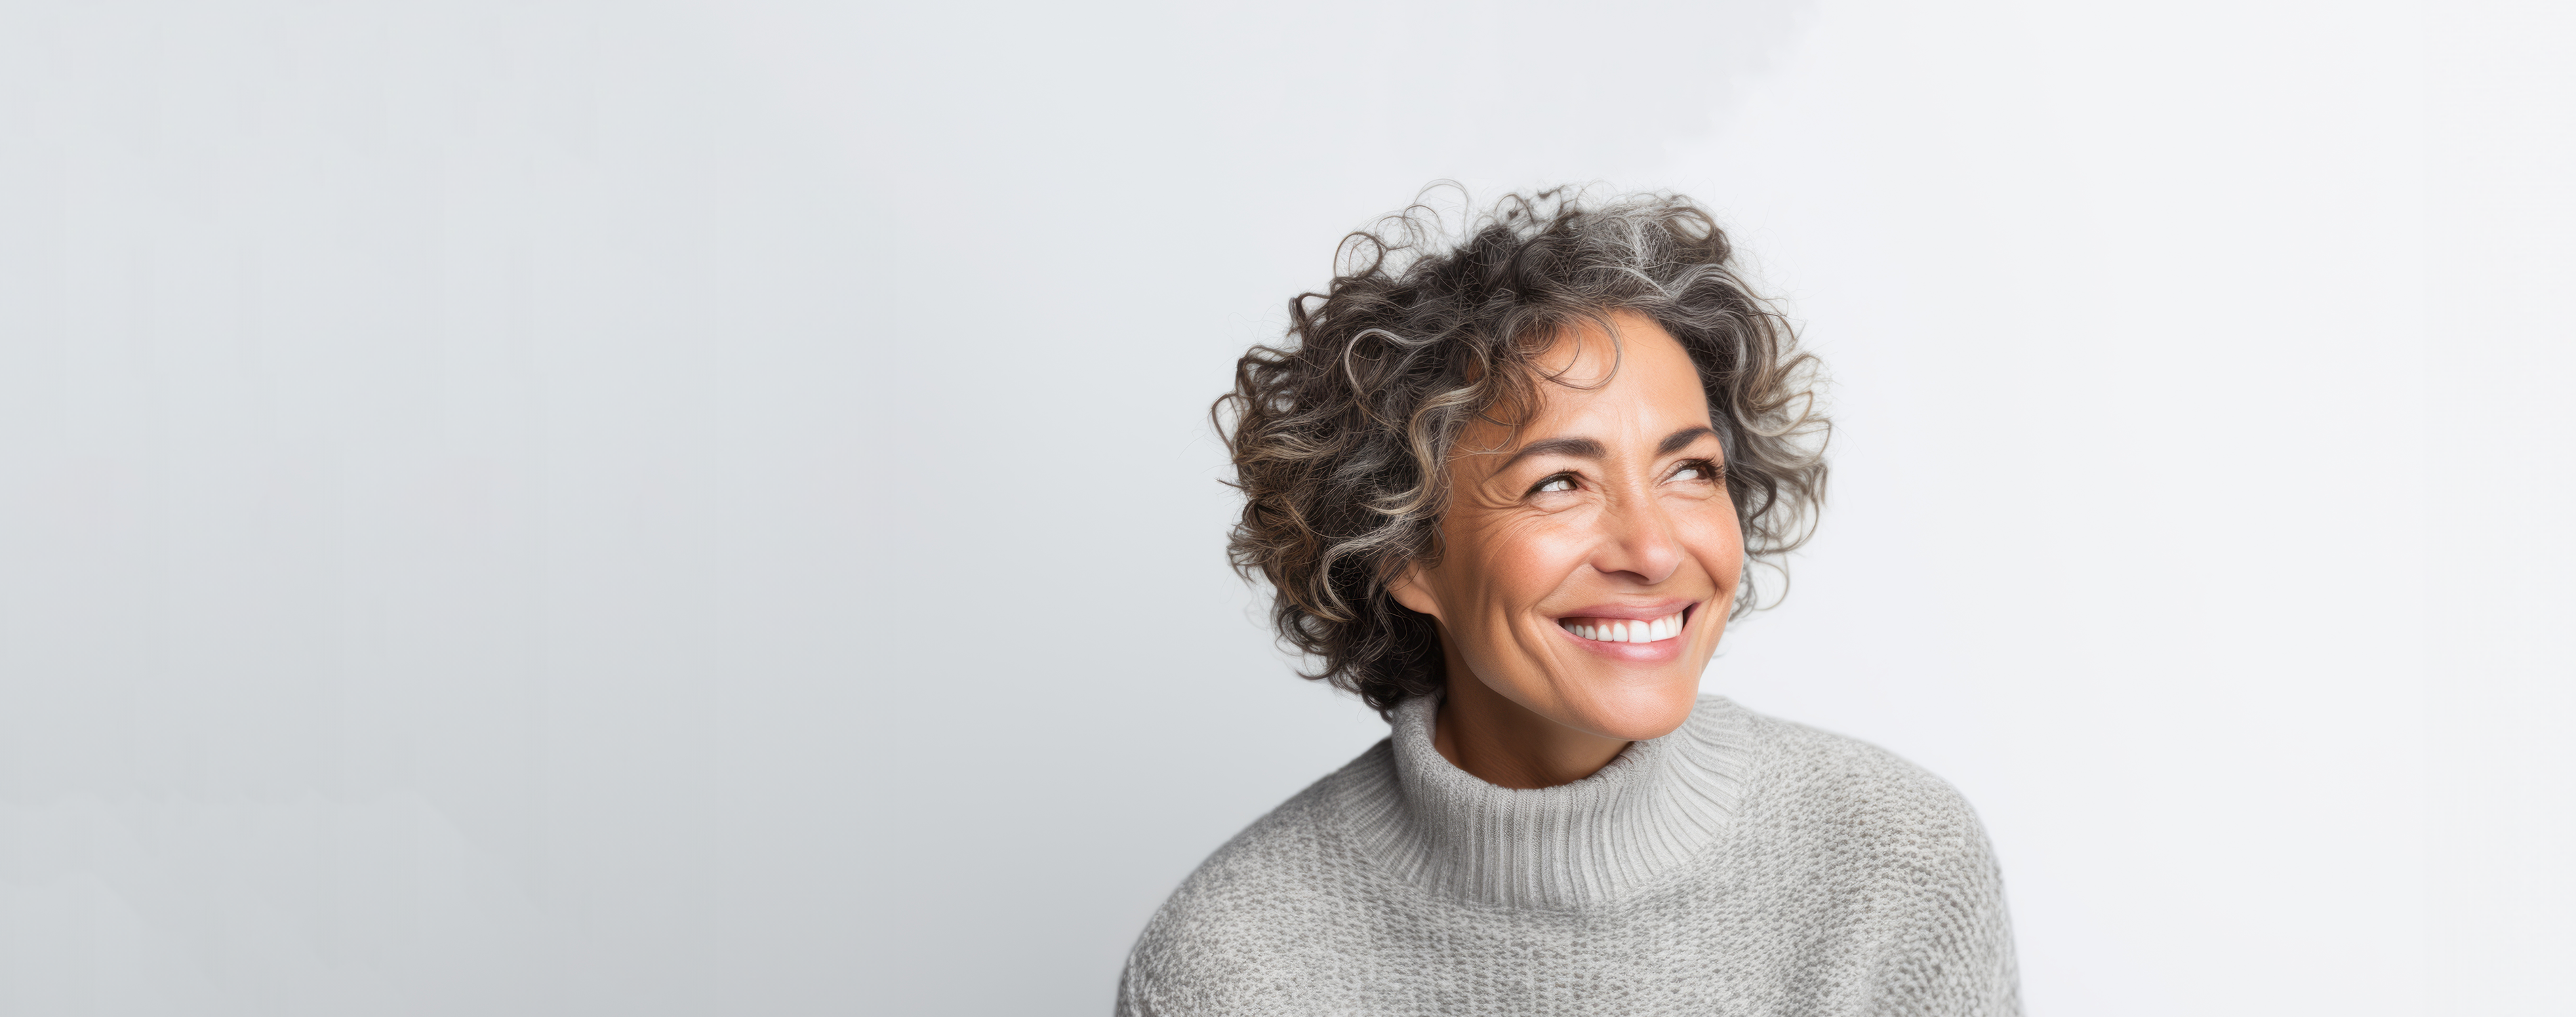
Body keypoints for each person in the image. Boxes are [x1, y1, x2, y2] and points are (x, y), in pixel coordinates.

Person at [1118, 188, 2018, 1015]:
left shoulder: (1897, 864)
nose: (1654, 549)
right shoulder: (1231, 970)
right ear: (1402, 551)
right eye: (1558, 484)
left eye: (1690, 470)